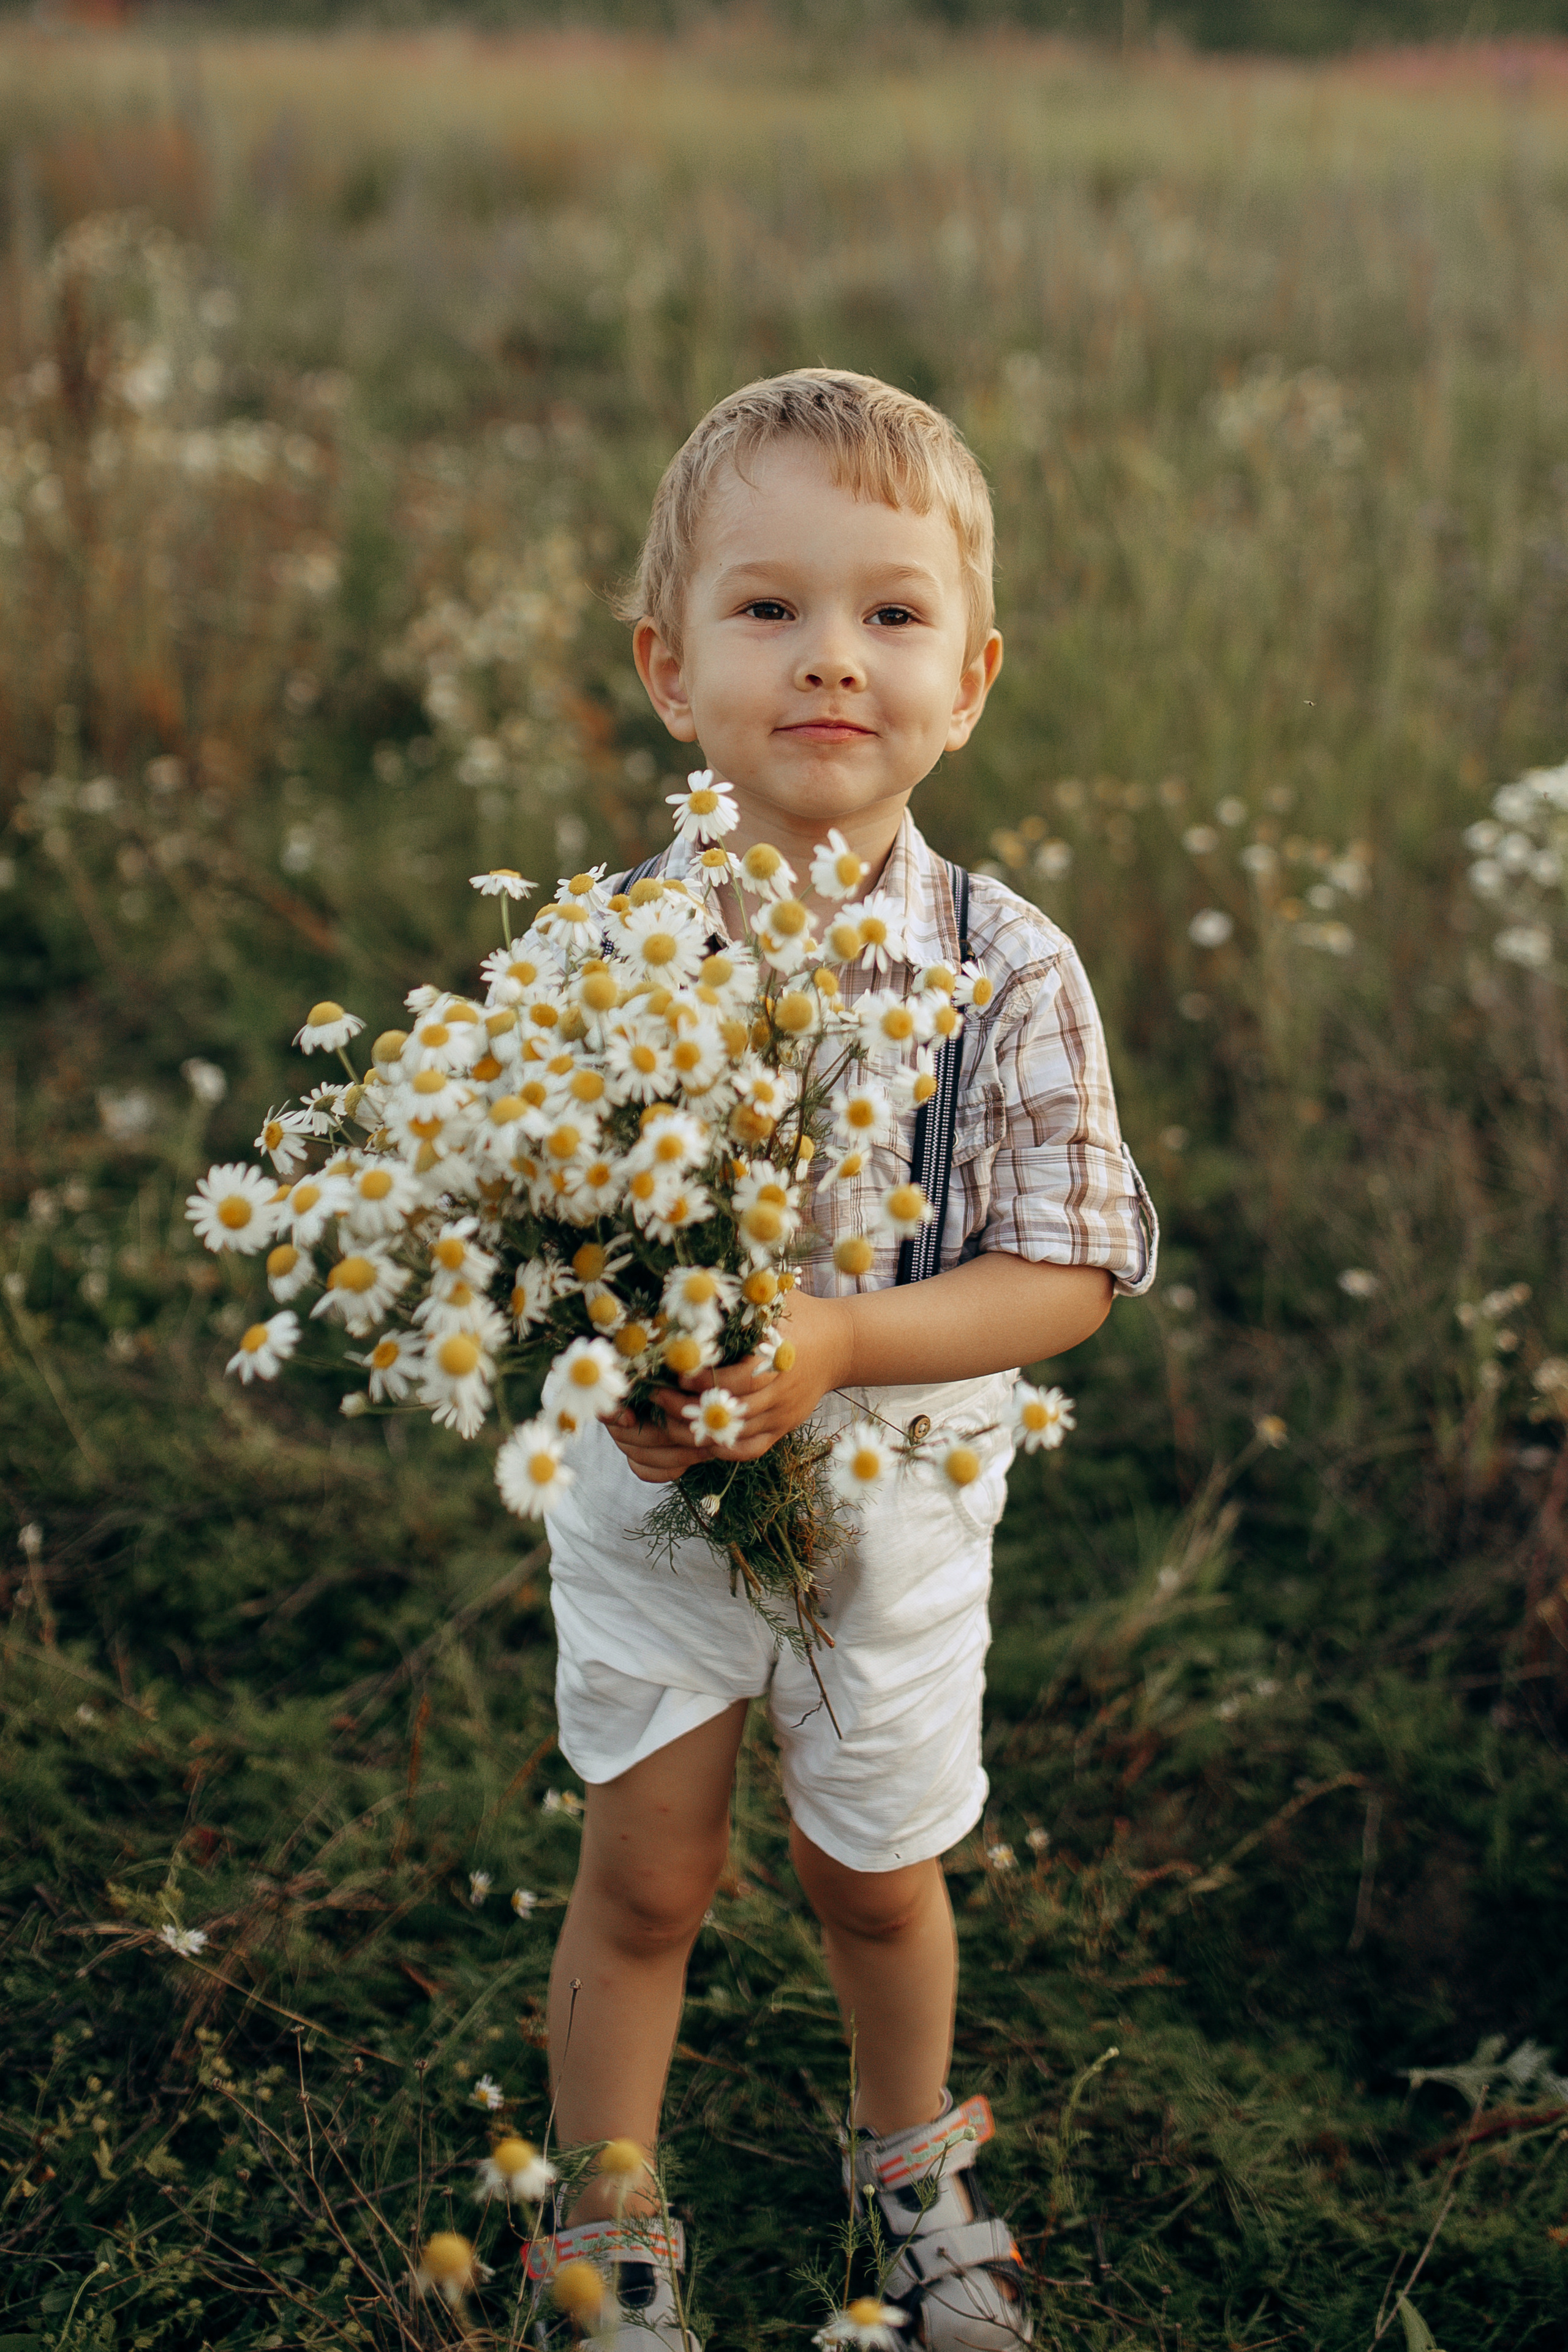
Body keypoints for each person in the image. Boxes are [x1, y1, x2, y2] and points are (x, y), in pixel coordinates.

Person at [533, 369, 1156, 2347]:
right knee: (645, 1880)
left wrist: (845, 1340)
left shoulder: (1008, 963)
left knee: (878, 1874)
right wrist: (625, 1365)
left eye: (891, 615)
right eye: (768, 607)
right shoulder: (601, 957)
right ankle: (607, 2219)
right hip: (655, 1512)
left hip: (900, 1516)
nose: (832, 660)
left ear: (969, 679)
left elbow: (1067, 1269)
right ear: (667, 663)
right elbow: (539, 1233)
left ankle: (913, 2173)